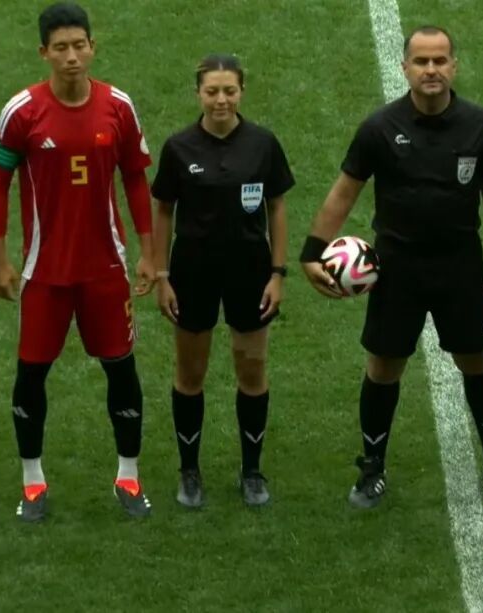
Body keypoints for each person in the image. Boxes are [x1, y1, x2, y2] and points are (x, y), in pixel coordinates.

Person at [300, 26, 483, 508]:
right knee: (383, 367)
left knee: (477, 362)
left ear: (454, 66)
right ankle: (372, 467)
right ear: (405, 68)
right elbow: (345, 191)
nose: (431, 69)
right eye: (421, 61)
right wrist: (312, 252)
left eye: (440, 60)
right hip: (396, 269)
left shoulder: (478, 125)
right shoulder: (379, 128)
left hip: (459, 266)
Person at [0, 2, 156, 520]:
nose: (72, 56)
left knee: (121, 369)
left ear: (92, 47)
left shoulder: (118, 107)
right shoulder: (22, 112)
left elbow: (135, 178)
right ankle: (32, 483)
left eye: (79, 45)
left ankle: (129, 476)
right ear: (44, 52)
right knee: (31, 374)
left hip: (106, 269)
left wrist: (149, 253)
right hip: (45, 273)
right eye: (60, 48)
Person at [151, 54, 293, 508]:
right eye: (212, 91)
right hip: (192, 272)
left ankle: (251, 471)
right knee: (190, 373)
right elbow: (163, 211)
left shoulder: (262, 144)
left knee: (251, 370)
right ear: (198, 93)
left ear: (241, 92)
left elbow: (277, 207)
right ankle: (189, 472)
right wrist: (161, 275)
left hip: (250, 271)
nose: (221, 100)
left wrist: (278, 274)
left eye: (229, 91)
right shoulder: (178, 148)